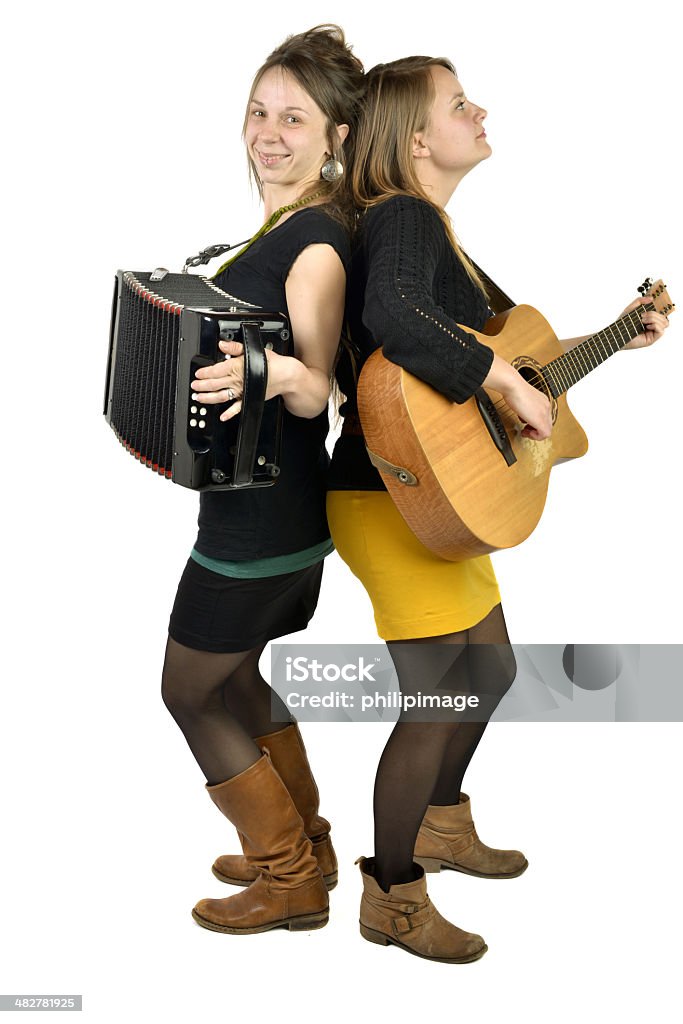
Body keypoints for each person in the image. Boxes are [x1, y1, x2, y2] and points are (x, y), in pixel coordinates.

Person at [327, 56, 669, 963]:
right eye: (458, 104)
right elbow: (398, 314)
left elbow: (520, 361)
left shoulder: (438, 231)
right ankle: (391, 896)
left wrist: (612, 337)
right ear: (413, 138)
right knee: (437, 696)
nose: (480, 112)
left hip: (446, 498)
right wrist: (500, 383)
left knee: (489, 669)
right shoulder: (402, 216)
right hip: (391, 498)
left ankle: (440, 822)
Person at [160, 25, 364, 935]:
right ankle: (303, 841)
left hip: (263, 524)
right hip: (270, 514)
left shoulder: (315, 242)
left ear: (335, 141)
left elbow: (316, 383)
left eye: (293, 118)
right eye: (258, 110)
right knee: (238, 681)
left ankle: (288, 878)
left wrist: (267, 374)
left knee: (188, 690)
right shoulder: (281, 227)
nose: (268, 132)